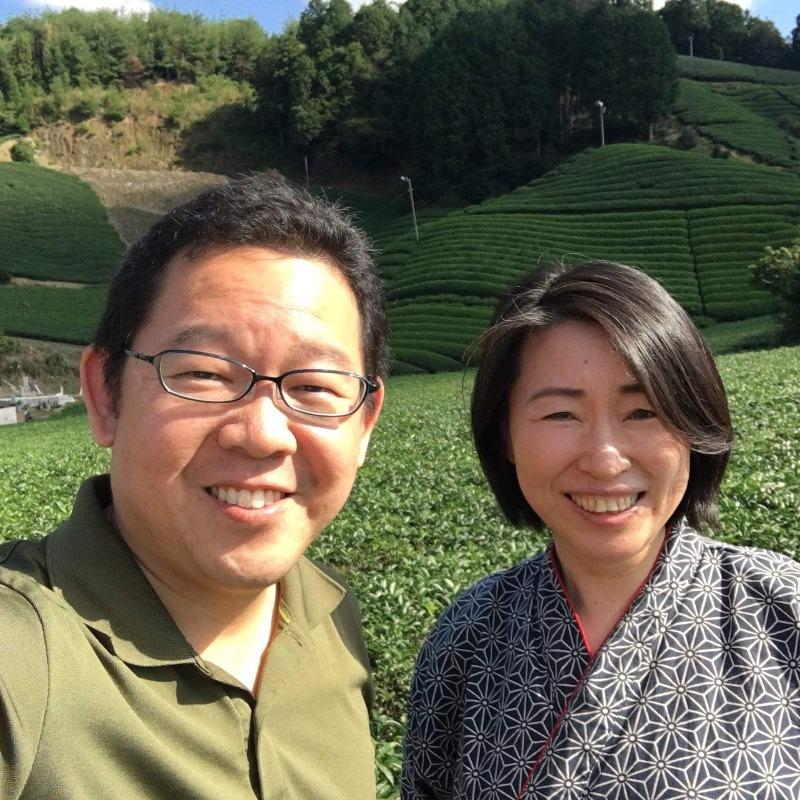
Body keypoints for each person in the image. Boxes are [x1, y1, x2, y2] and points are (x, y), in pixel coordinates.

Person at [0, 174, 387, 800]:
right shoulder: (20, 656)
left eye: (315, 386)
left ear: (364, 424)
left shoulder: (331, 624)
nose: (264, 434)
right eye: (203, 374)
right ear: (105, 395)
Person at [402, 261, 800, 800]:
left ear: (693, 423)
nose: (605, 460)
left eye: (643, 412)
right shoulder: (466, 638)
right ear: (507, 438)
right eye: (562, 415)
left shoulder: (784, 611)